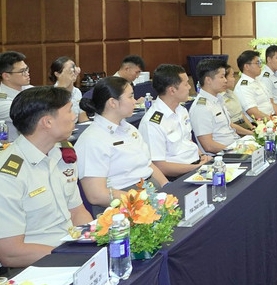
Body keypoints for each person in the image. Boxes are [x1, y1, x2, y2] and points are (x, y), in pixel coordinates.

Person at [0, 86, 93, 268]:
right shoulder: (8, 174)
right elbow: (10, 253)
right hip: (34, 267)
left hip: (72, 253)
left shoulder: (63, 153)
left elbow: (77, 211)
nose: (75, 115)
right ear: (47, 122)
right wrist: (72, 255)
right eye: (69, 110)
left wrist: (93, 242)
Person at [75, 77, 168, 214]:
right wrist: (141, 200)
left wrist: (168, 188)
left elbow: (149, 165)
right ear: (113, 102)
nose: (135, 101)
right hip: (122, 205)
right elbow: (96, 195)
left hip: (149, 192)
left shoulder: (129, 129)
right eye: (130, 96)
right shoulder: (91, 140)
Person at [139, 64, 210, 178]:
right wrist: (196, 168)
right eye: (186, 84)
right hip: (178, 175)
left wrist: (202, 156)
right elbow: (159, 166)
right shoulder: (152, 122)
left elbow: (187, 141)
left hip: (196, 165)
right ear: (172, 90)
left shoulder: (181, 110)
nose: (189, 87)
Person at [190, 58, 245, 153]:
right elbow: (208, 145)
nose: (225, 80)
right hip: (222, 157)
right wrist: (236, 151)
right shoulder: (201, 107)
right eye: (222, 77)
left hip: (233, 146)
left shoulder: (218, 99)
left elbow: (229, 126)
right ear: (208, 80)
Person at [0, 51, 35, 142]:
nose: (27, 73)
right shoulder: (2, 100)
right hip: (11, 149)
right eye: (22, 71)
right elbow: (32, 116)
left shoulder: (29, 89)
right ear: (6, 76)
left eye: (27, 69)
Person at [233, 50, 274, 122]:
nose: (260, 66)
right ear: (247, 66)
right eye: (257, 63)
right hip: (259, 124)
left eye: (260, 62)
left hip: (270, 118)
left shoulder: (257, 80)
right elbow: (254, 113)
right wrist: (274, 121)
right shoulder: (244, 86)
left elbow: (270, 103)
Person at [50, 56, 89, 123]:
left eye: (74, 68)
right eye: (70, 70)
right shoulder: (51, 94)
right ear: (57, 74)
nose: (74, 72)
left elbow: (83, 118)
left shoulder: (77, 92)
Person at [223, 65, 254, 136]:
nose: (234, 79)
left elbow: (241, 114)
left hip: (244, 125)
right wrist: (250, 133)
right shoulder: (220, 98)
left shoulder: (231, 93)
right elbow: (230, 124)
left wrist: (252, 128)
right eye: (232, 76)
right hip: (235, 130)